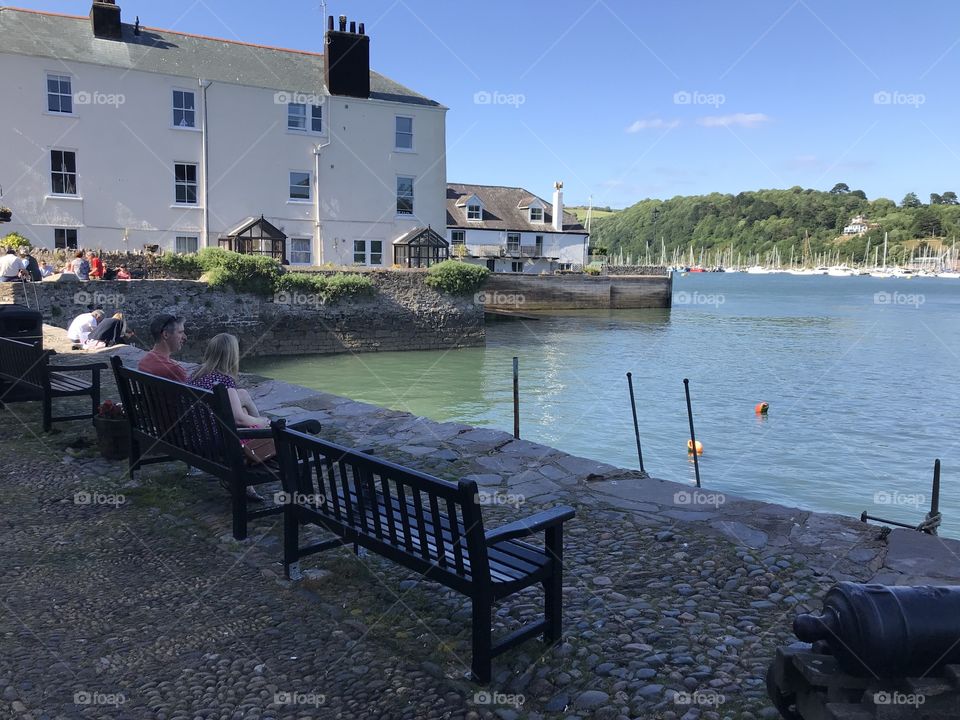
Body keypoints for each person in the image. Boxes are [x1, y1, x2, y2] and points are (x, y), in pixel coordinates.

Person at [189, 333, 268, 427]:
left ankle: (263, 427)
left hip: (195, 429)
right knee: (245, 414)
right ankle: (265, 428)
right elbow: (239, 420)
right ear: (232, 355)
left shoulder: (197, 373)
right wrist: (261, 421)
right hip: (214, 436)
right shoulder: (224, 381)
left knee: (242, 395)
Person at [138, 313, 188, 382]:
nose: (185, 337)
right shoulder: (175, 371)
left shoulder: (143, 363)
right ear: (166, 334)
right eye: (180, 332)